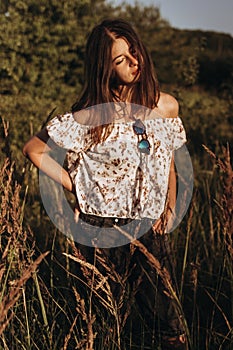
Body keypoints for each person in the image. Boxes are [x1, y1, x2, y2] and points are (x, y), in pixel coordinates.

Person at [23, 19, 188, 349]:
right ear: (103, 67)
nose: (133, 61)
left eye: (134, 51)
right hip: (97, 230)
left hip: (148, 229)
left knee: (168, 328)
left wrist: (168, 208)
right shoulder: (90, 115)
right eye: (120, 59)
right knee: (99, 328)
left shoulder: (165, 106)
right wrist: (77, 187)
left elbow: (168, 162)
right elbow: (34, 149)